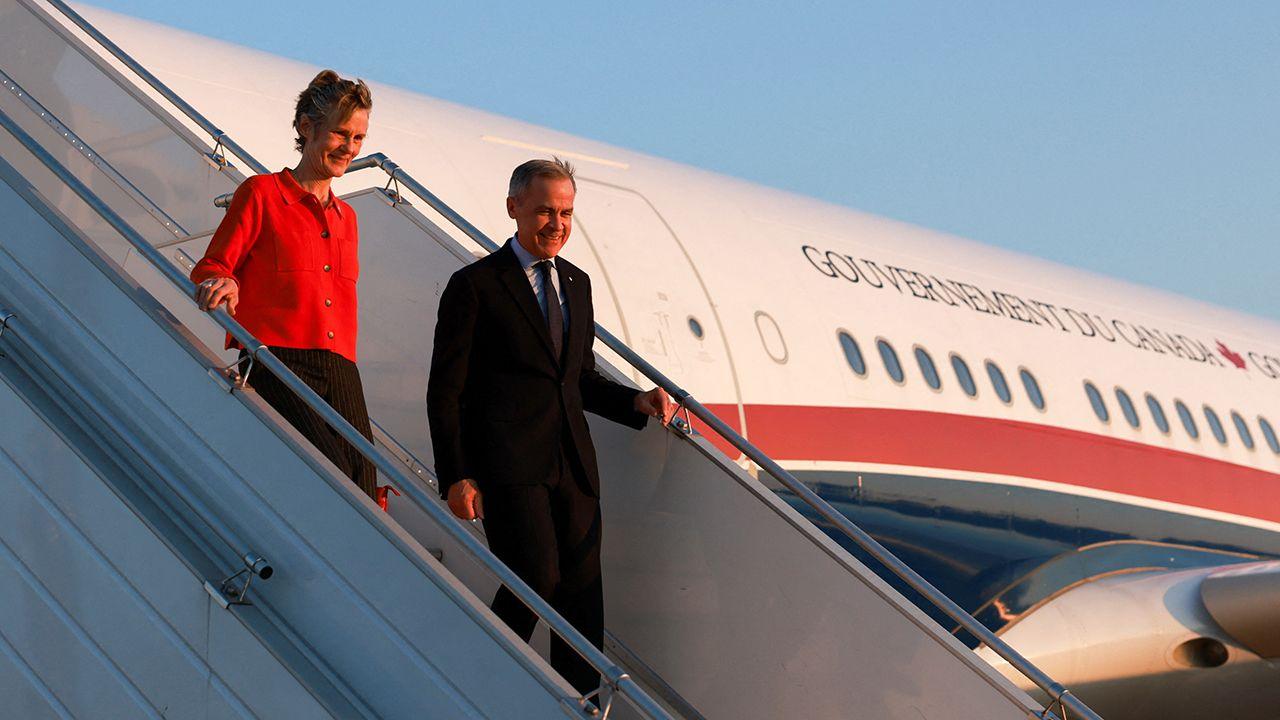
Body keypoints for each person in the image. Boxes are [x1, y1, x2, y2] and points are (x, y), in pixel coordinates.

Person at [427, 158, 673, 696]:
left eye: (565, 213)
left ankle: (577, 704)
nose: (556, 224)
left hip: (574, 466)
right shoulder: (475, 286)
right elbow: (445, 392)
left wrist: (636, 401)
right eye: (544, 211)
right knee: (536, 580)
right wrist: (456, 474)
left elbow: (576, 379)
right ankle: (476, 686)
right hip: (510, 468)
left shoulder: (576, 285)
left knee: (584, 601)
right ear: (514, 208)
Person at [191, 70, 378, 500]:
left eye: (358, 138)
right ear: (307, 127)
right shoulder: (262, 193)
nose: (349, 148)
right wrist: (223, 280)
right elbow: (212, 264)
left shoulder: (347, 218)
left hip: (341, 366)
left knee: (364, 485)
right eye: (340, 134)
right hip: (276, 358)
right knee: (331, 482)